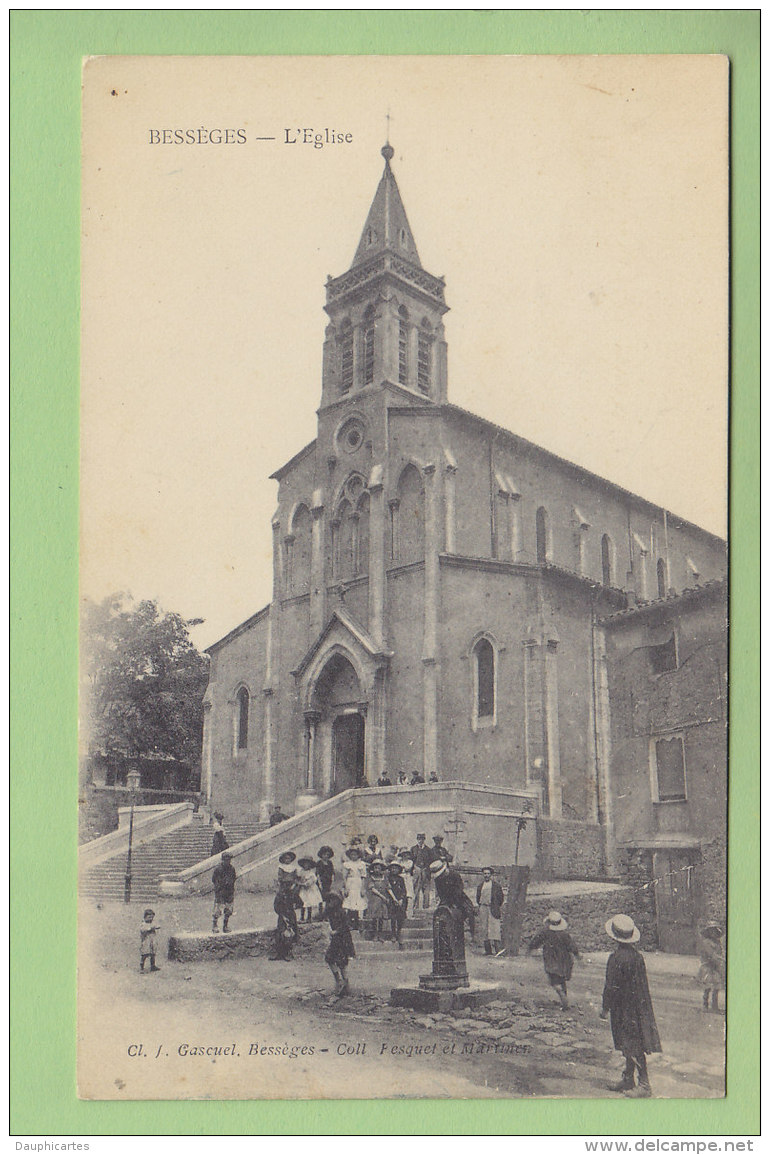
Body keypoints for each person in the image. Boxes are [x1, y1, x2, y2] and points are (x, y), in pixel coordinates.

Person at [600, 914, 662, 1098]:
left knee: (633, 1045)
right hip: (639, 1006)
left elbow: (610, 986)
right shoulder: (638, 957)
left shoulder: (615, 958)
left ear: (614, 936)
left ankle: (644, 1084)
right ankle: (628, 1078)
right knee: (632, 1043)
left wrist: (605, 1008)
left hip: (623, 1008)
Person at [527, 910, 580, 1009]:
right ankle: (564, 998)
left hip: (551, 959)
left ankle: (560, 992)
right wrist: (578, 956)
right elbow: (572, 947)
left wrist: (530, 949)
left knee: (553, 979)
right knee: (562, 980)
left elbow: (535, 942)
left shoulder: (545, 933)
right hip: (564, 960)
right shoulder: (564, 935)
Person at [323, 892, 356, 996]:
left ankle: (345, 985)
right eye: (329, 901)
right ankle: (339, 982)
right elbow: (320, 916)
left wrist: (336, 931)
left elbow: (347, 926)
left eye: (332, 900)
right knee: (330, 959)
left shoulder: (341, 912)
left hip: (343, 939)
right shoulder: (330, 911)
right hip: (336, 939)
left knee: (342, 963)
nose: (330, 903)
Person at [269, 872, 299, 962]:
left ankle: (288, 953)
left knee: (290, 934)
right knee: (280, 934)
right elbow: (276, 906)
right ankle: (279, 954)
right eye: (284, 884)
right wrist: (281, 914)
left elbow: (300, 903)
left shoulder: (293, 894)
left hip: (291, 916)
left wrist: (294, 906)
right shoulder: (280, 895)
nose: (286, 886)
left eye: (289, 884)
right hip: (282, 917)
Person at [476, 867, 505, 955]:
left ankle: (498, 950)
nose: (486, 875)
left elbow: (501, 898)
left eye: (488, 874)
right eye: (485, 873)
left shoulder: (496, 886)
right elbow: (478, 898)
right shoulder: (480, 886)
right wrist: (482, 906)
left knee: (495, 929)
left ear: (491, 875)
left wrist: (495, 905)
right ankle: (488, 951)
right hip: (483, 908)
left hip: (493, 908)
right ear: (483, 875)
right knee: (484, 929)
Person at [697, 923, 725, 1014]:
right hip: (707, 966)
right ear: (708, 932)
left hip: (716, 967)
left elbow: (719, 954)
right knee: (708, 986)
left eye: (715, 931)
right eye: (712, 931)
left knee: (716, 986)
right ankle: (705, 1004)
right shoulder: (706, 943)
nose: (714, 933)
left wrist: (721, 960)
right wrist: (718, 959)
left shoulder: (717, 943)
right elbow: (710, 954)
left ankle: (714, 1006)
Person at [341, 847, 367, 928]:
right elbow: (344, 877)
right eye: (352, 854)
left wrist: (363, 888)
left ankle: (357, 923)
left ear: (358, 855)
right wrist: (345, 888)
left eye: (355, 854)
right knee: (350, 902)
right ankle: (349, 923)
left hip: (358, 883)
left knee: (358, 902)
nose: (353, 856)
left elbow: (363, 877)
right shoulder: (346, 864)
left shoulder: (362, 864)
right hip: (350, 883)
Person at [365, 861, 390, 941]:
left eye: (379, 868)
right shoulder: (371, 877)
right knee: (375, 917)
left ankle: (381, 934)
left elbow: (388, 887)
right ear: (373, 869)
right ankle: (375, 934)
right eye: (375, 868)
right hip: (375, 899)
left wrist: (388, 897)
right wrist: (381, 896)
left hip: (383, 900)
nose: (377, 870)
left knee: (382, 917)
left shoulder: (384, 878)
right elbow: (372, 889)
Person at [212, 851, 236, 934]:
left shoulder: (232, 868)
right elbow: (214, 879)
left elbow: (234, 878)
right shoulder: (218, 869)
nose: (228, 861)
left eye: (229, 859)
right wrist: (219, 887)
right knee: (218, 909)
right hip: (220, 892)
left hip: (229, 892)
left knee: (228, 910)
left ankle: (225, 926)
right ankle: (215, 926)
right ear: (223, 860)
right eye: (226, 859)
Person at [386, 861, 408, 948]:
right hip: (392, 900)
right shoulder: (388, 878)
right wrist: (393, 899)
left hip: (400, 901)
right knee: (393, 918)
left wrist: (402, 899)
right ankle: (393, 934)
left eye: (396, 868)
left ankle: (399, 933)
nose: (394, 870)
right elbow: (387, 889)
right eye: (392, 868)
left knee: (400, 918)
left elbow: (404, 890)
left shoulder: (401, 879)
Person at [297, 856, 323, 923]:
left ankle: (309, 917)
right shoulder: (301, 872)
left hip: (310, 890)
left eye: (308, 864)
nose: (306, 865)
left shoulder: (311, 873)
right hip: (303, 890)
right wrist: (299, 882)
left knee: (309, 903)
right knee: (302, 902)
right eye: (305, 864)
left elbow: (312, 881)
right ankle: (302, 917)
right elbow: (298, 878)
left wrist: (305, 883)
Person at [411, 834, 433, 910]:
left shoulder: (428, 850)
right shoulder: (413, 849)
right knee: (416, 889)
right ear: (417, 839)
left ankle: (426, 907)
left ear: (424, 839)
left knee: (426, 890)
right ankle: (415, 907)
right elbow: (412, 861)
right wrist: (413, 871)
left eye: (422, 839)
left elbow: (431, 861)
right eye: (419, 839)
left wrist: (427, 869)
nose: (420, 840)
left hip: (426, 872)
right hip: (417, 872)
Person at [139, 908, 160, 973]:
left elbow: (158, 925)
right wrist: (149, 928)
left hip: (152, 941)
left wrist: (156, 927)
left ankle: (153, 966)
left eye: (152, 917)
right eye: (149, 917)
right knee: (145, 954)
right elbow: (142, 930)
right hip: (146, 941)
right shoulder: (143, 924)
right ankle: (142, 966)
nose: (150, 919)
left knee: (153, 954)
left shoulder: (152, 923)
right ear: (145, 917)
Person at [316, 846, 335, 914]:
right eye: (324, 854)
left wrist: (332, 882)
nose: (326, 856)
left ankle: (327, 913)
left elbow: (332, 873)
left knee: (328, 898)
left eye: (327, 855)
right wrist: (319, 883)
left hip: (328, 882)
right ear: (321, 855)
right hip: (321, 882)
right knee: (320, 898)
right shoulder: (319, 863)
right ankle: (320, 913)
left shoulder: (330, 863)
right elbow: (317, 874)